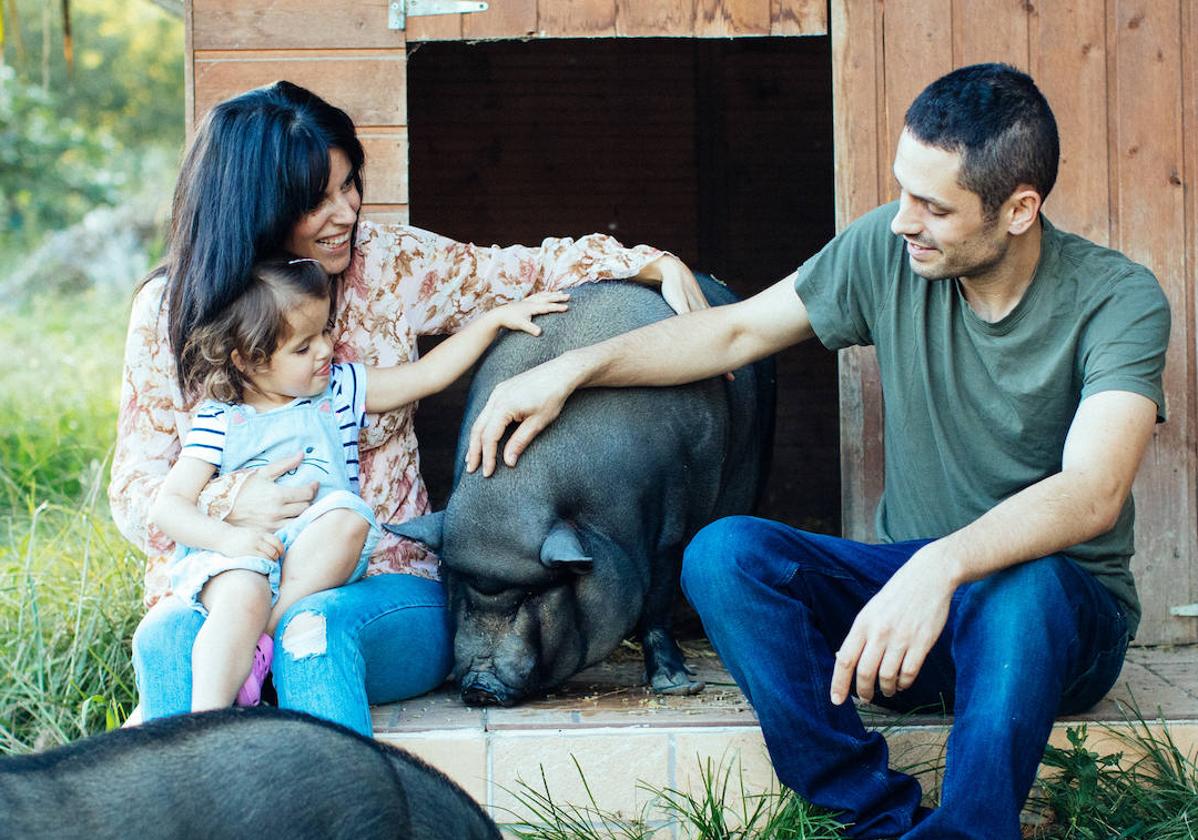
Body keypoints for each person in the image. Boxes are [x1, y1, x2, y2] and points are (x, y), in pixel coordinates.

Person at [462, 64, 1171, 838]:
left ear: (1020, 210)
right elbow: (736, 331)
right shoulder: (887, 251)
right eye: (903, 191)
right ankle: (872, 816)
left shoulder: (1118, 301)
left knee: (1026, 583)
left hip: (1058, 630)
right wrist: (571, 370)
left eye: (934, 207)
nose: (904, 221)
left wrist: (942, 564)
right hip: (911, 622)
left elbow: (1094, 490)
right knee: (723, 555)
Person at [110, 80, 709, 736]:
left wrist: (647, 262)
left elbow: (517, 272)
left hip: (385, 580)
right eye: (317, 199)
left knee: (311, 634)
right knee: (165, 643)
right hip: (225, 578)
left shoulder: (386, 263)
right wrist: (229, 506)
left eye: (350, 185)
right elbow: (137, 491)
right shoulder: (169, 311)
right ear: (254, 206)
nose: (346, 212)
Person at [151, 256, 568, 711]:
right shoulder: (220, 418)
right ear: (249, 361)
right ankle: (207, 718)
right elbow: (169, 506)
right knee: (242, 594)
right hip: (240, 558)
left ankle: (261, 644)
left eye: (325, 332)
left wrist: (490, 323)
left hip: (313, 561)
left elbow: (425, 376)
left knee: (349, 519)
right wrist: (230, 539)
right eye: (302, 347)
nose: (326, 350)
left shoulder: (341, 389)